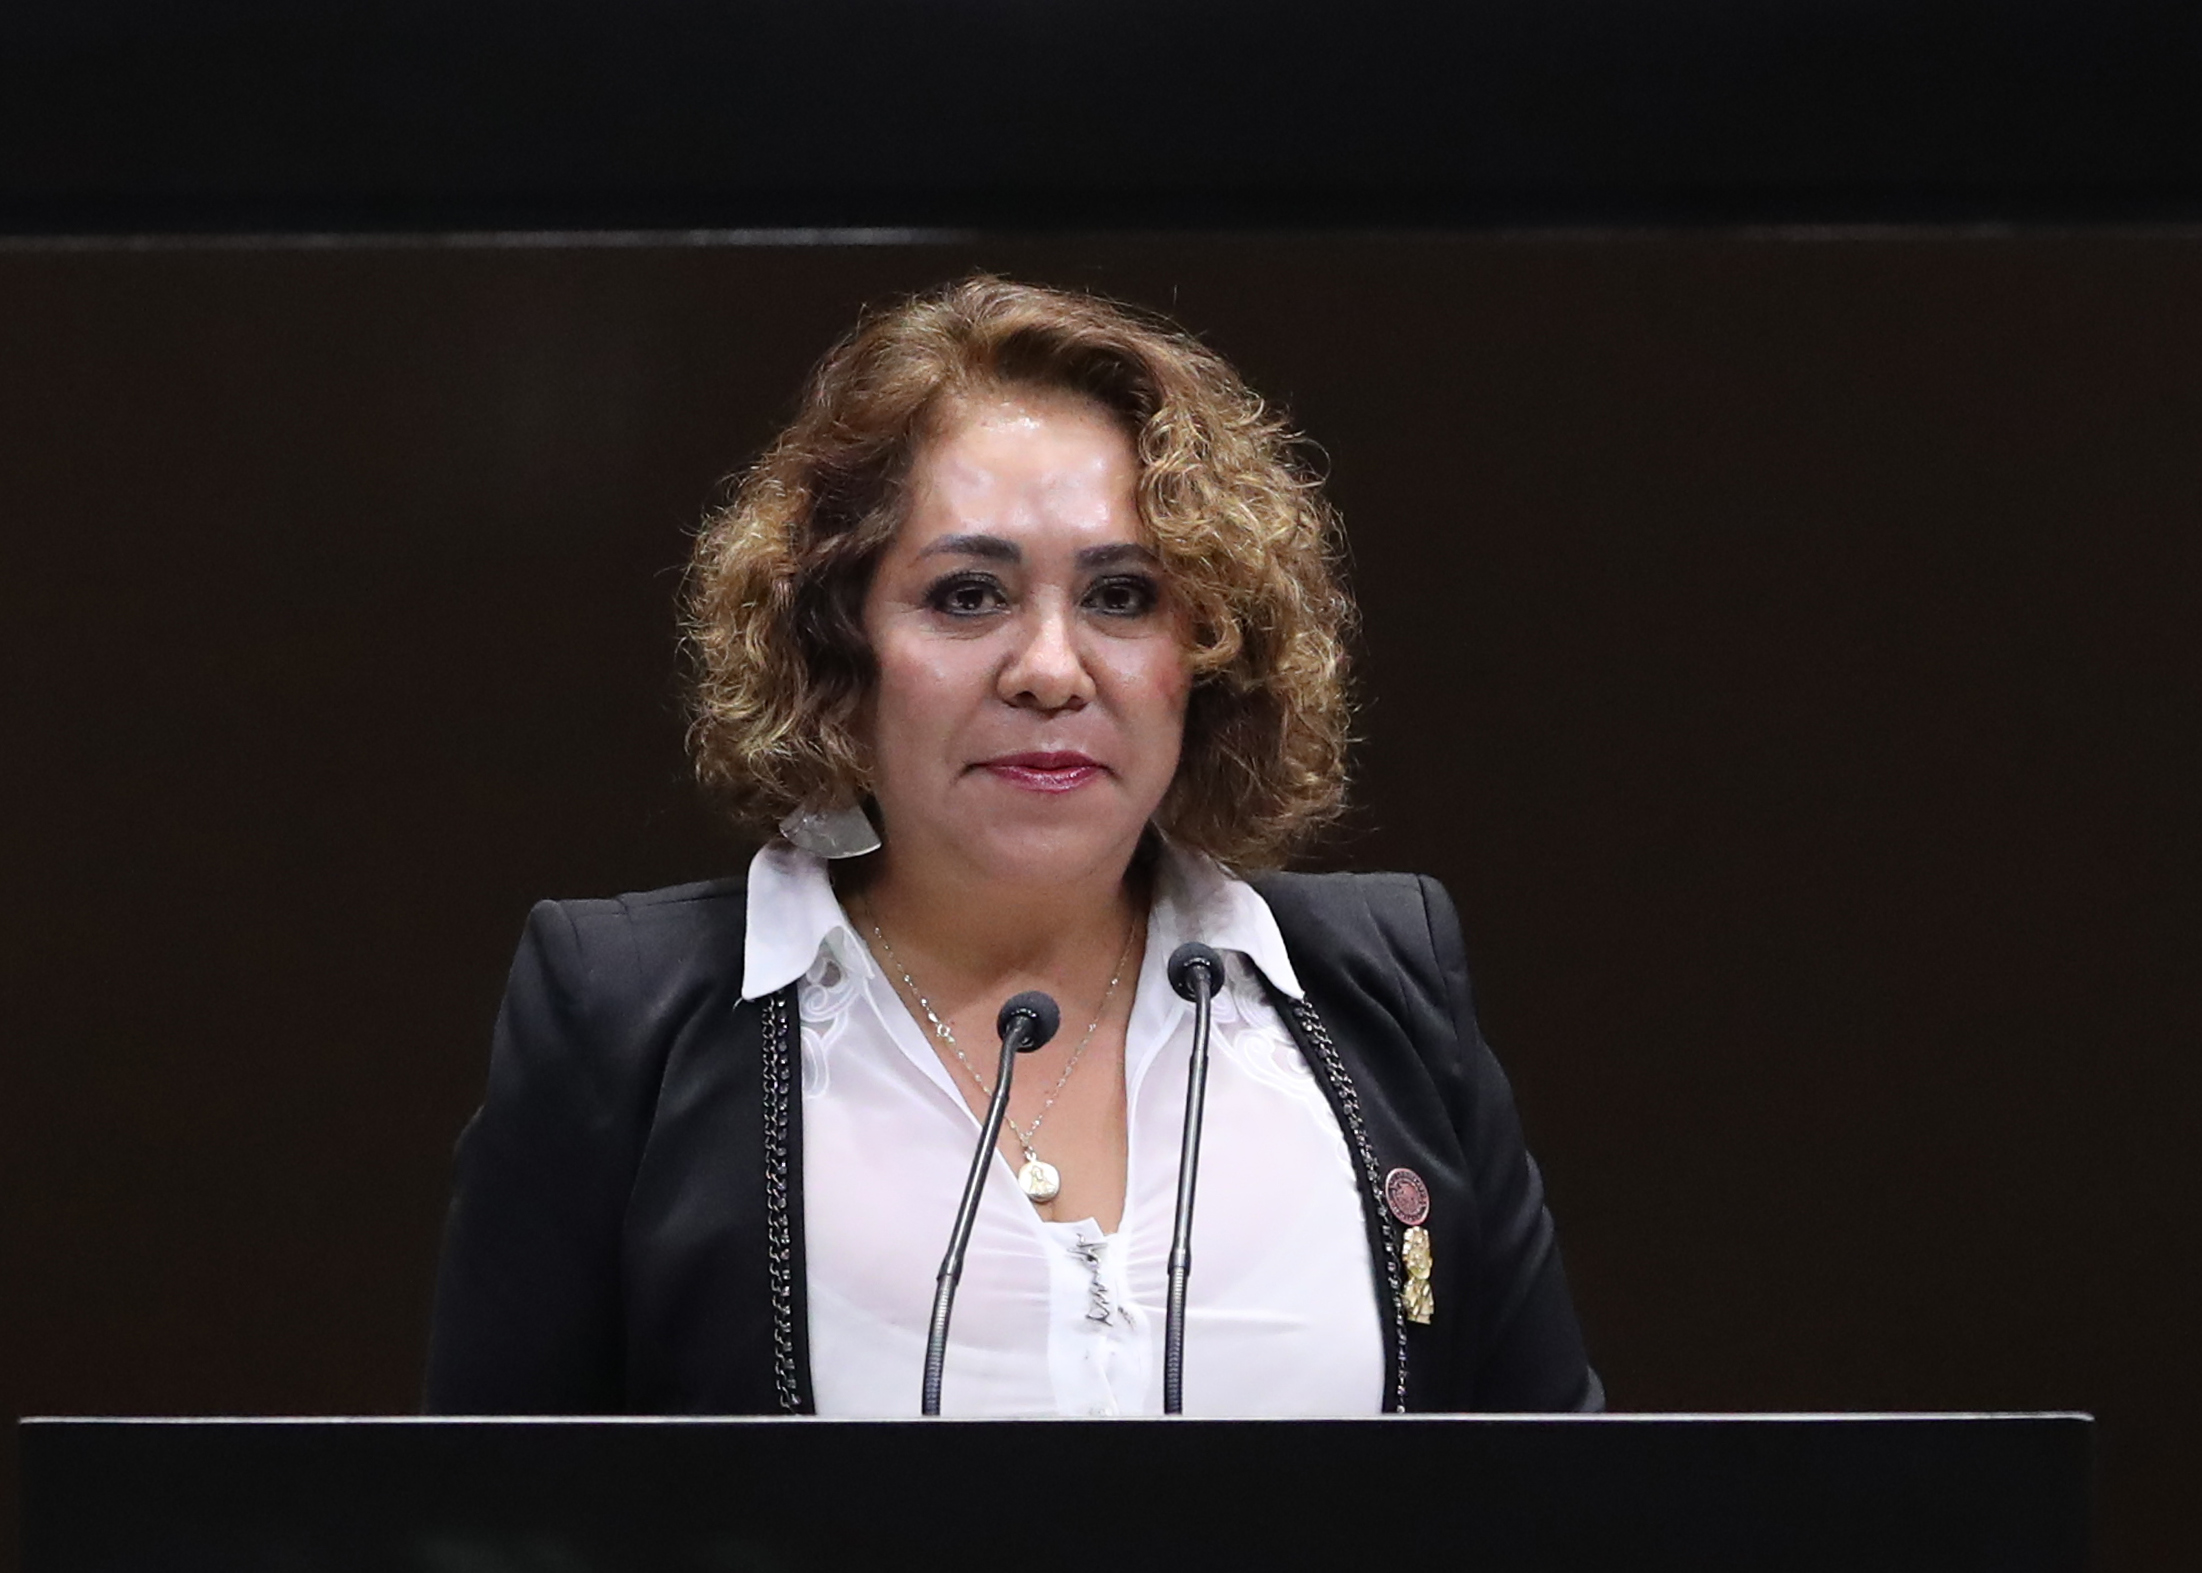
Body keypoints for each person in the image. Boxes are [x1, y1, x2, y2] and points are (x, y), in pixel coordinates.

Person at [425, 276, 1600, 1417]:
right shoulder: (624, 1019)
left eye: (1122, 596)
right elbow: (485, 1512)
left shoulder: (1387, 992)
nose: (1049, 670)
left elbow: (1568, 1501)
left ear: (1209, 648)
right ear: (835, 646)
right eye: (968, 596)